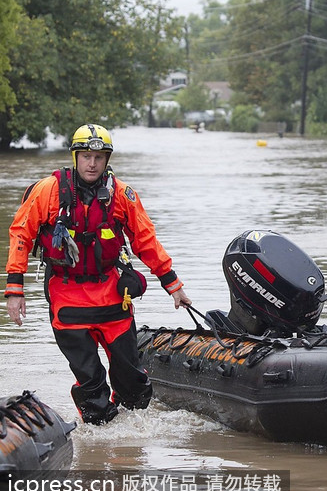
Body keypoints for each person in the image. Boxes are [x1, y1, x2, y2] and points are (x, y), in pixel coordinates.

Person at [4, 124, 191, 425]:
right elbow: (21, 235)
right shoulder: (48, 191)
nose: (92, 163)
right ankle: (97, 435)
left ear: (107, 160)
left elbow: (145, 240)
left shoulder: (121, 194)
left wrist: (173, 284)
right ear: (75, 157)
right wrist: (15, 290)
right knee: (92, 383)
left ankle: (128, 438)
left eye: (99, 157)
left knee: (133, 384)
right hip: (68, 296)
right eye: (86, 156)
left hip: (111, 294)